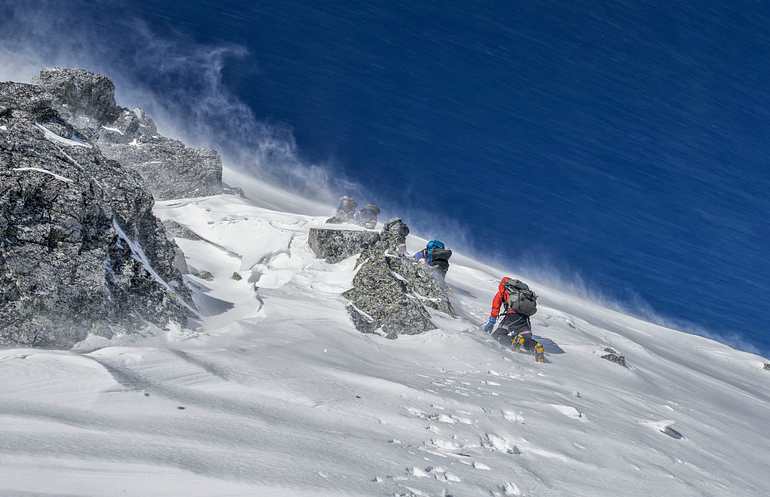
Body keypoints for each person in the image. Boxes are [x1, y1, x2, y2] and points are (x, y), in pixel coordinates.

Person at [482, 277, 539, 352]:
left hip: (512, 316)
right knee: (526, 339)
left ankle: (512, 341)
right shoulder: (523, 292)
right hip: (525, 319)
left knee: (497, 335)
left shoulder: (503, 291)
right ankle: (537, 347)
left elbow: (496, 306)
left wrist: (492, 321)